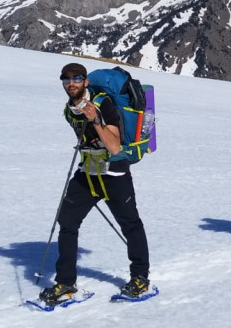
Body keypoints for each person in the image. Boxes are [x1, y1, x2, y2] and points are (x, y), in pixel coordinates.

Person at [39, 62, 151, 303]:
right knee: (67, 221)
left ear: (85, 82)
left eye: (77, 78)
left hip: (115, 173)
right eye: (66, 79)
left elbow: (114, 146)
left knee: (130, 224)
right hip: (88, 172)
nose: (71, 83)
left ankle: (140, 277)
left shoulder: (103, 104)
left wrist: (96, 121)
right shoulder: (69, 109)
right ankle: (65, 283)